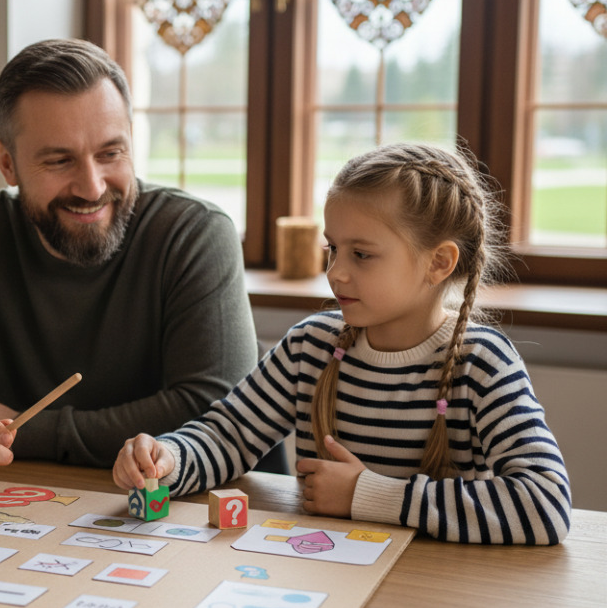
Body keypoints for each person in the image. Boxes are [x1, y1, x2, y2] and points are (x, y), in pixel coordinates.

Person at [114, 142, 572, 544]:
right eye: (333, 248)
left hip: (434, 595)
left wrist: (367, 496)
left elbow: (546, 504)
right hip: (325, 580)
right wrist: (166, 459)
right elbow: (226, 437)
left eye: (362, 254)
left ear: (439, 263)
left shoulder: (483, 363)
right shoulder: (308, 348)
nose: (335, 272)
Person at [0, 38, 258, 485]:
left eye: (111, 154)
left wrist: (27, 430)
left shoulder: (195, 233)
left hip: (214, 508)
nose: (92, 187)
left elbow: (213, 407)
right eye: (59, 160)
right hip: (51, 502)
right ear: (7, 163)